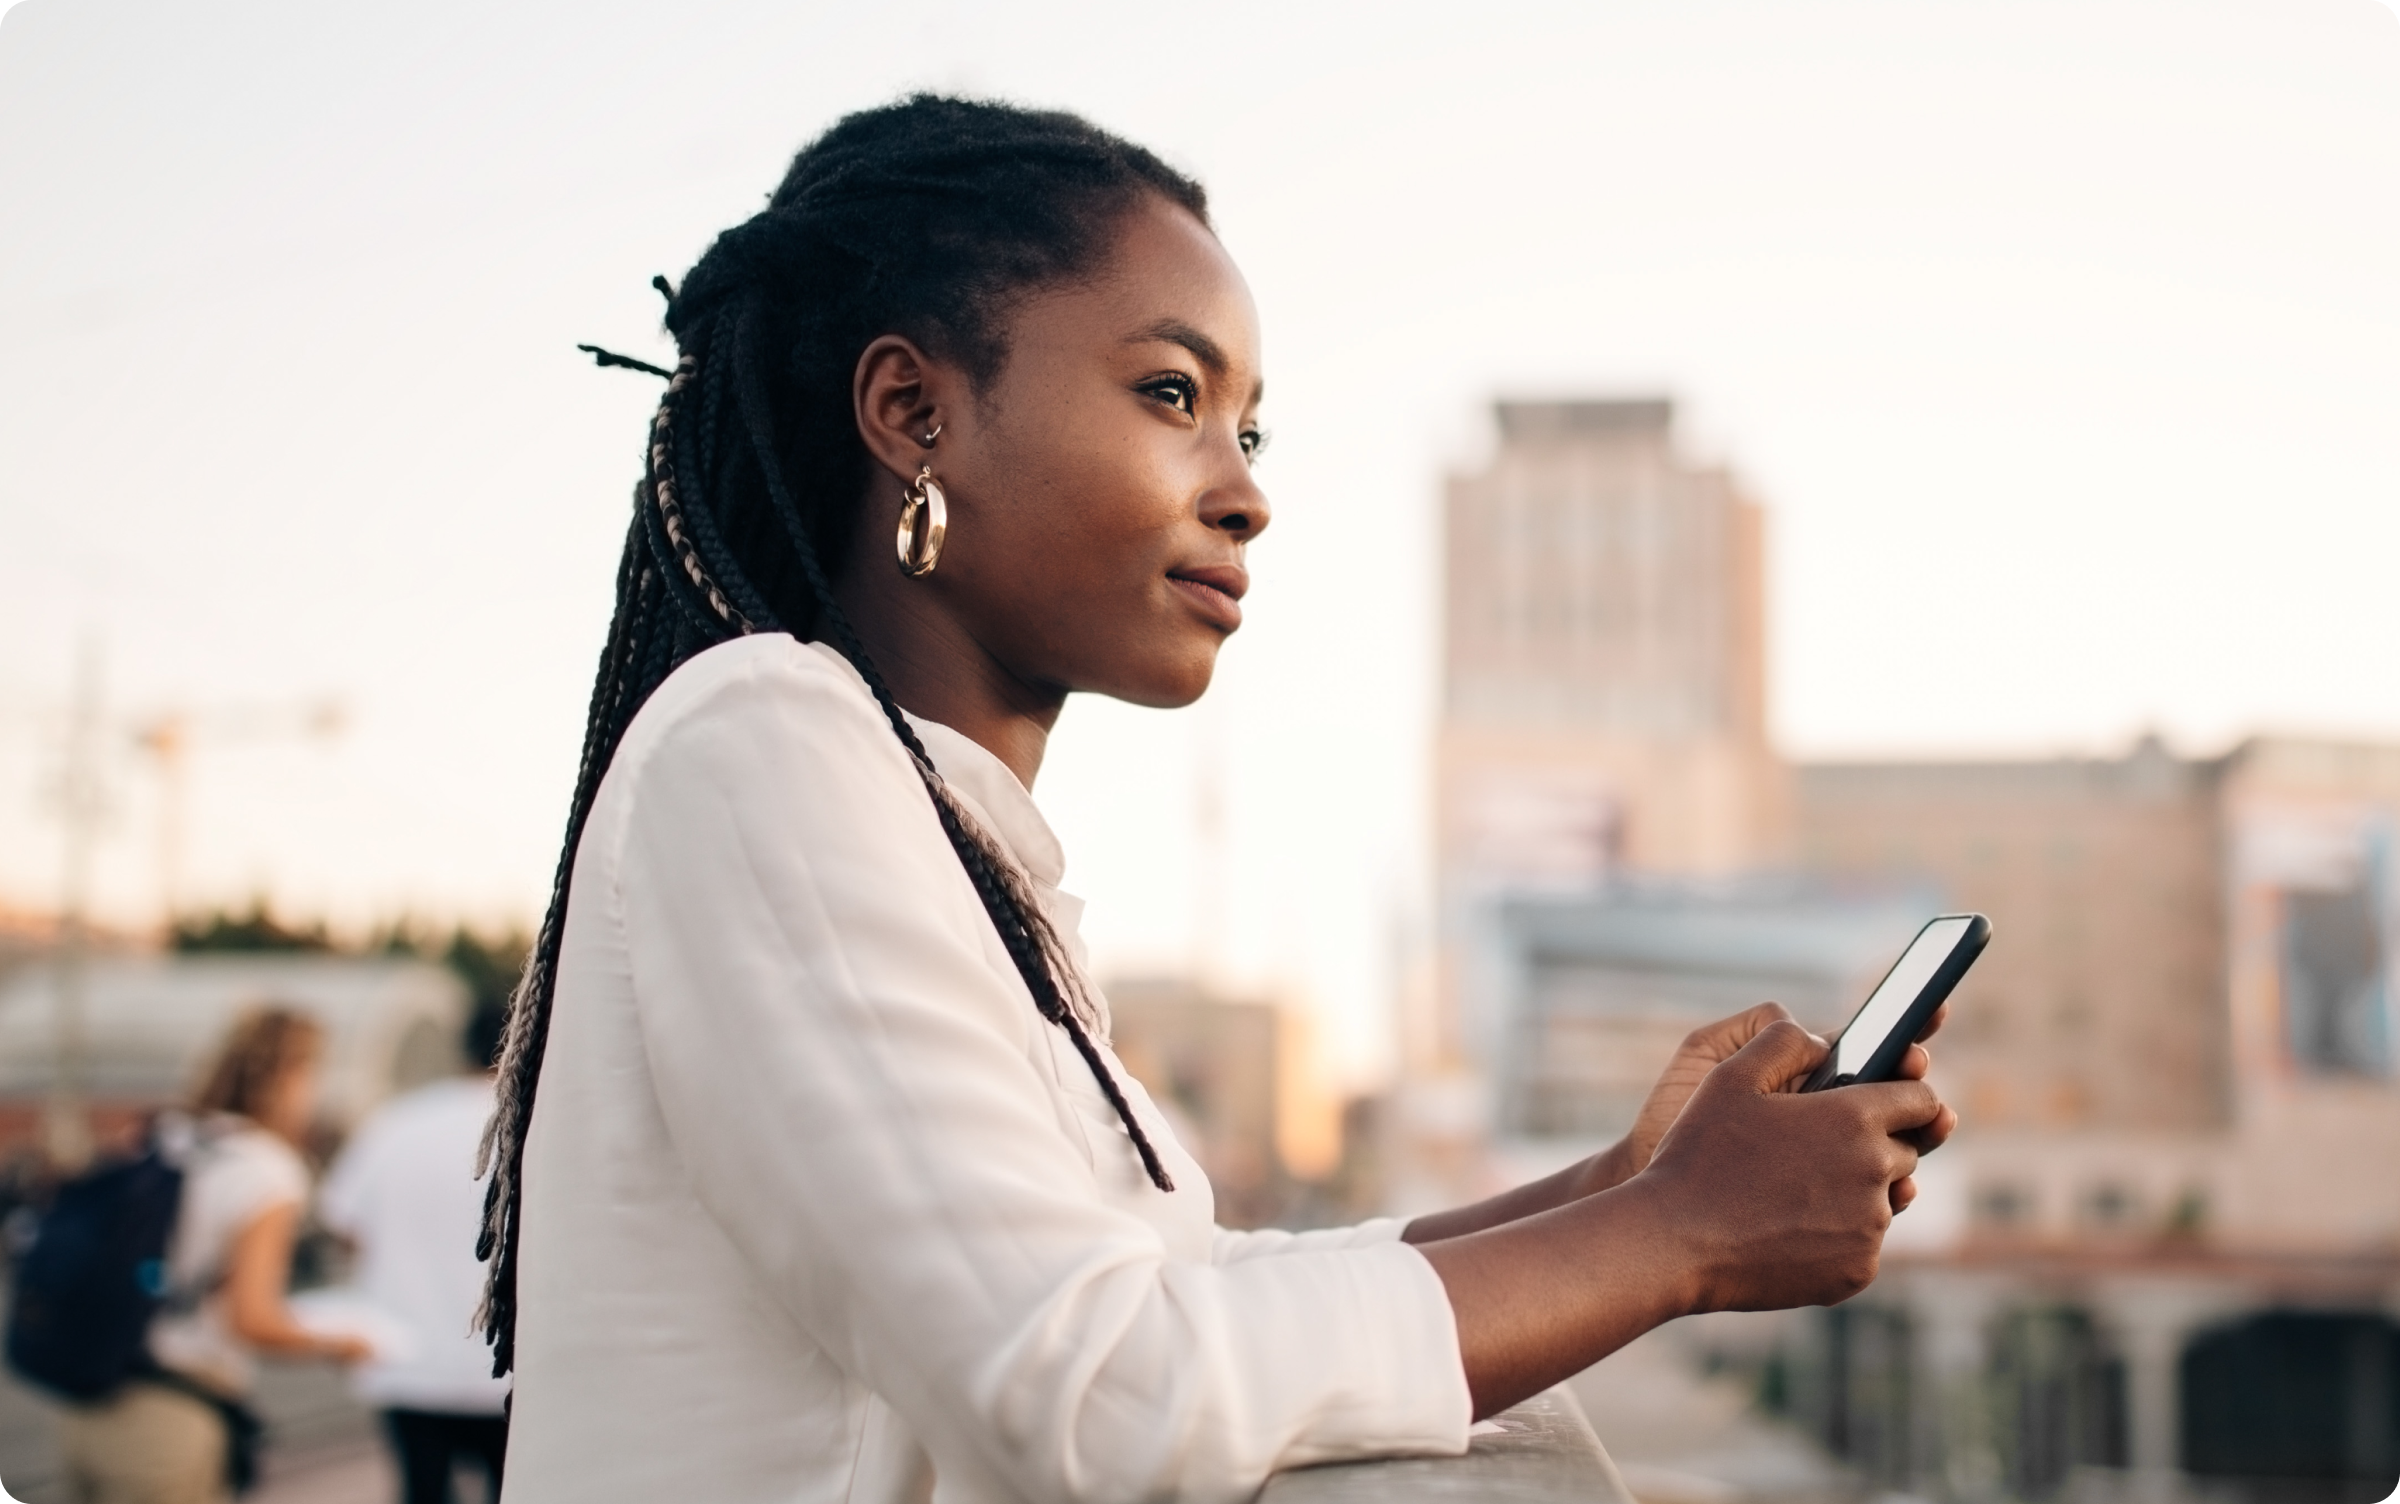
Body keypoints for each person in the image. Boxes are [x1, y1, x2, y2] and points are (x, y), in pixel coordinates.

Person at [478, 96, 1956, 1504]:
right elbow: (1105, 1390)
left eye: (1251, 431)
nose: (1244, 491)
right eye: (1172, 394)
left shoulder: (939, 837)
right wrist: (1675, 1236)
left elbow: (1183, 1292)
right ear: (912, 409)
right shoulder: (763, 740)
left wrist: (1621, 1181)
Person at [59, 1007, 370, 1504]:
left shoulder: (167, 1135)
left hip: (88, 1409)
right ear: (291, 1076)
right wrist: (345, 1344)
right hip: (171, 1418)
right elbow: (251, 1319)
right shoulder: (267, 1168)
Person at [319, 1002, 511, 1504]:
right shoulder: (532, 1124)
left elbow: (342, 1224)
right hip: (506, 1371)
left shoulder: (398, 1121)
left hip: (409, 1360)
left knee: (420, 1492)